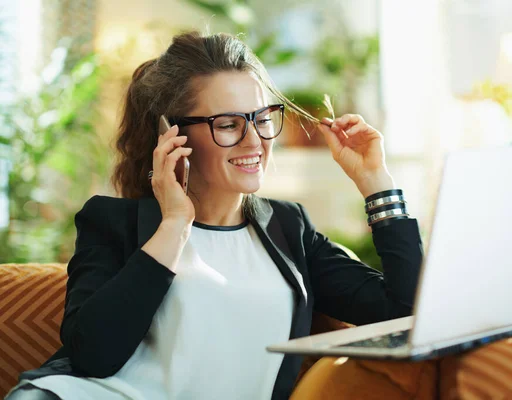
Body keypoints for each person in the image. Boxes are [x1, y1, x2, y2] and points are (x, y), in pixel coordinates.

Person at [5, 31, 422, 400]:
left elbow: (407, 313)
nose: (255, 140)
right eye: (228, 124)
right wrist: (174, 226)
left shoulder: (288, 229)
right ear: (173, 134)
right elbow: (93, 355)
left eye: (262, 118)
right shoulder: (113, 222)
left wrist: (376, 183)